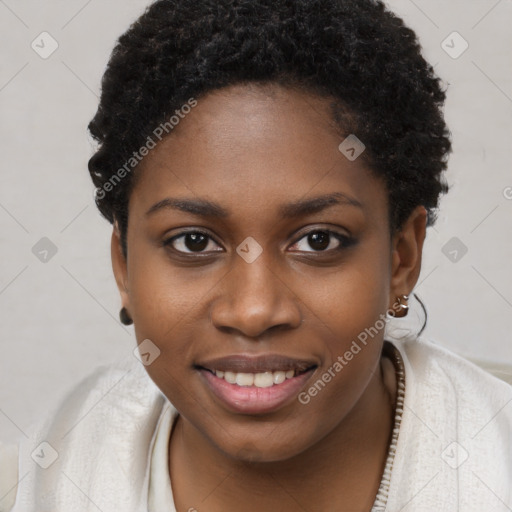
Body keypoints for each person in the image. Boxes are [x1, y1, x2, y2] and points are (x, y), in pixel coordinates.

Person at [1, 0, 511, 510]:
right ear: (125, 266)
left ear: (402, 258)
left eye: (318, 240)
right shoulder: (34, 485)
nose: (253, 310)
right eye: (193, 241)